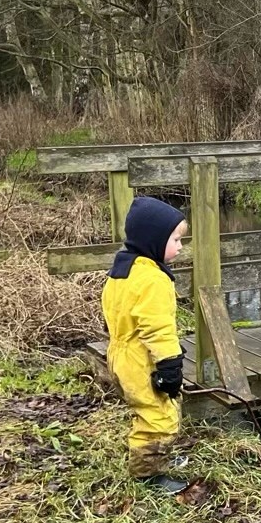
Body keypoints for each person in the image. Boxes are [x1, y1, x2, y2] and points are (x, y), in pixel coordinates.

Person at [101, 196, 189, 494]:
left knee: (147, 409)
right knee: (159, 417)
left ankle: (152, 459)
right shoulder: (152, 279)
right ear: (153, 239)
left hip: (119, 354)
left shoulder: (122, 270)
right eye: (175, 239)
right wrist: (170, 364)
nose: (180, 246)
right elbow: (158, 328)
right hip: (141, 361)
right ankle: (147, 475)